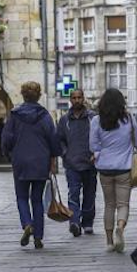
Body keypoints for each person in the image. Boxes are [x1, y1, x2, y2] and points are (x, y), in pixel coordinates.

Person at [2, 81, 61, 249]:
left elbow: (7, 138)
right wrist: (54, 157)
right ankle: (38, 236)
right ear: (39, 95)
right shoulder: (44, 116)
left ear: (23, 95)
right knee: (37, 199)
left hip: (20, 160)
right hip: (40, 161)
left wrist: (8, 153)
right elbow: (53, 137)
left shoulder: (14, 115)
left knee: (21, 197)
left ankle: (27, 223)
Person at [89, 88, 137, 253]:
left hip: (104, 168)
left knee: (109, 204)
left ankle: (110, 241)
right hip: (124, 167)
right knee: (123, 204)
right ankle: (120, 227)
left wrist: (99, 152)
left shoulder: (96, 121)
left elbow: (93, 145)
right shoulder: (129, 119)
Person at [56, 89, 97, 237]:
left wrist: (95, 153)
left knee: (89, 194)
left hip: (90, 162)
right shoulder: (64, 120)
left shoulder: (92, 118)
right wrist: (64, 153)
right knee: (73, 193)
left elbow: (99, 137)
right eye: (74, 98)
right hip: (72, 163)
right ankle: (74, 221)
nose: (77, 100)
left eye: (79, 97)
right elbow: (59, 139)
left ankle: (87, 223)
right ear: (70, 100)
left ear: (83, 99)